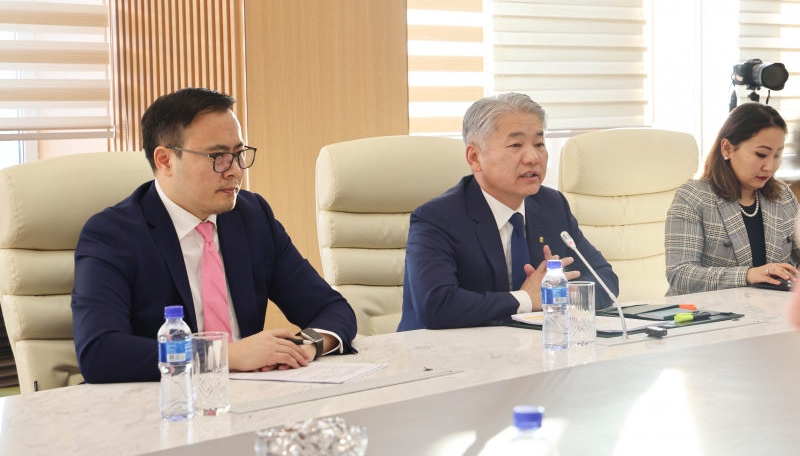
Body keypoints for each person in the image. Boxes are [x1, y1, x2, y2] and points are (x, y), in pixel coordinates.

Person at [72, 88, 357, 383]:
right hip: (163, 401)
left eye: (238, 154)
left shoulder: (252, 216)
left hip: (252, 394)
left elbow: (331, 308)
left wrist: (304, 347)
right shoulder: (112, 234)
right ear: (165, 160)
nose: (234, 171)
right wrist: (224, 355)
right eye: (218, 156)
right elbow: (100, 352)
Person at [397, 93, 619, 331]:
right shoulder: (437, 218)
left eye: (539, 144)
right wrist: (525, 300)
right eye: (516, 145)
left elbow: (604, 279)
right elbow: (436, 306)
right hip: (443, 351)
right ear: (475, 157)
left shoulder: (552, 205)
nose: (532, 158)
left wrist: (554, 294)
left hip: (530, 347)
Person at [665, 102, 800, 295]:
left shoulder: (783, 196)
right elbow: (680, 274)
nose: (770, 167)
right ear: (727, 148)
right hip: (707, 310)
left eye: (777, 155)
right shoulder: (693, 197)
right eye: (761, 154)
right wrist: (748, 275)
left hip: (770, 307)